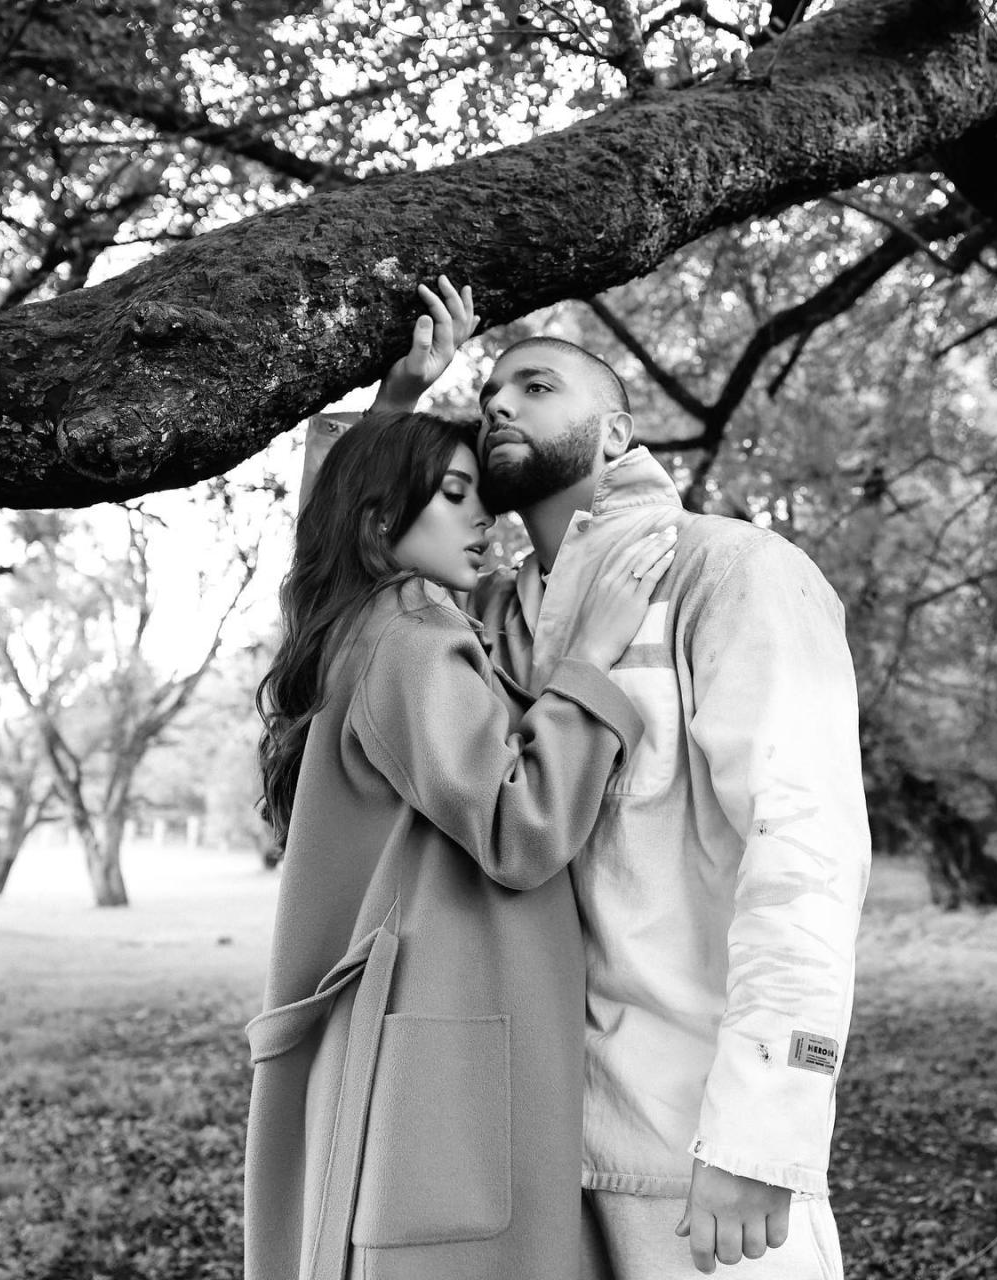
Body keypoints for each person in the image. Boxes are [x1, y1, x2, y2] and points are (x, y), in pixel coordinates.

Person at [364, 278, 873, 1278]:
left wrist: (762, 1132)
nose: (498, 405)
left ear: (616, 432)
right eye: (488, 394)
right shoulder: (480, 619)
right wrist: (394, 407)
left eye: (536, 385)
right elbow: (345, 586)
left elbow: (805, 858)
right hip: (527, 1156)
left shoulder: (734, 572)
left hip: (697, 1159)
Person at [245, 408, 678, 1280]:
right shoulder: (410, 635)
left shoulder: (356, 627)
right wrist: (592, 659)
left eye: (482, 496)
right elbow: (520, 827)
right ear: (378, 519)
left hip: (416, 1040)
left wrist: (397, 392)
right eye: (453, 494)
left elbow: (333, 515)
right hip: (444, 1048)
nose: (485, 517)